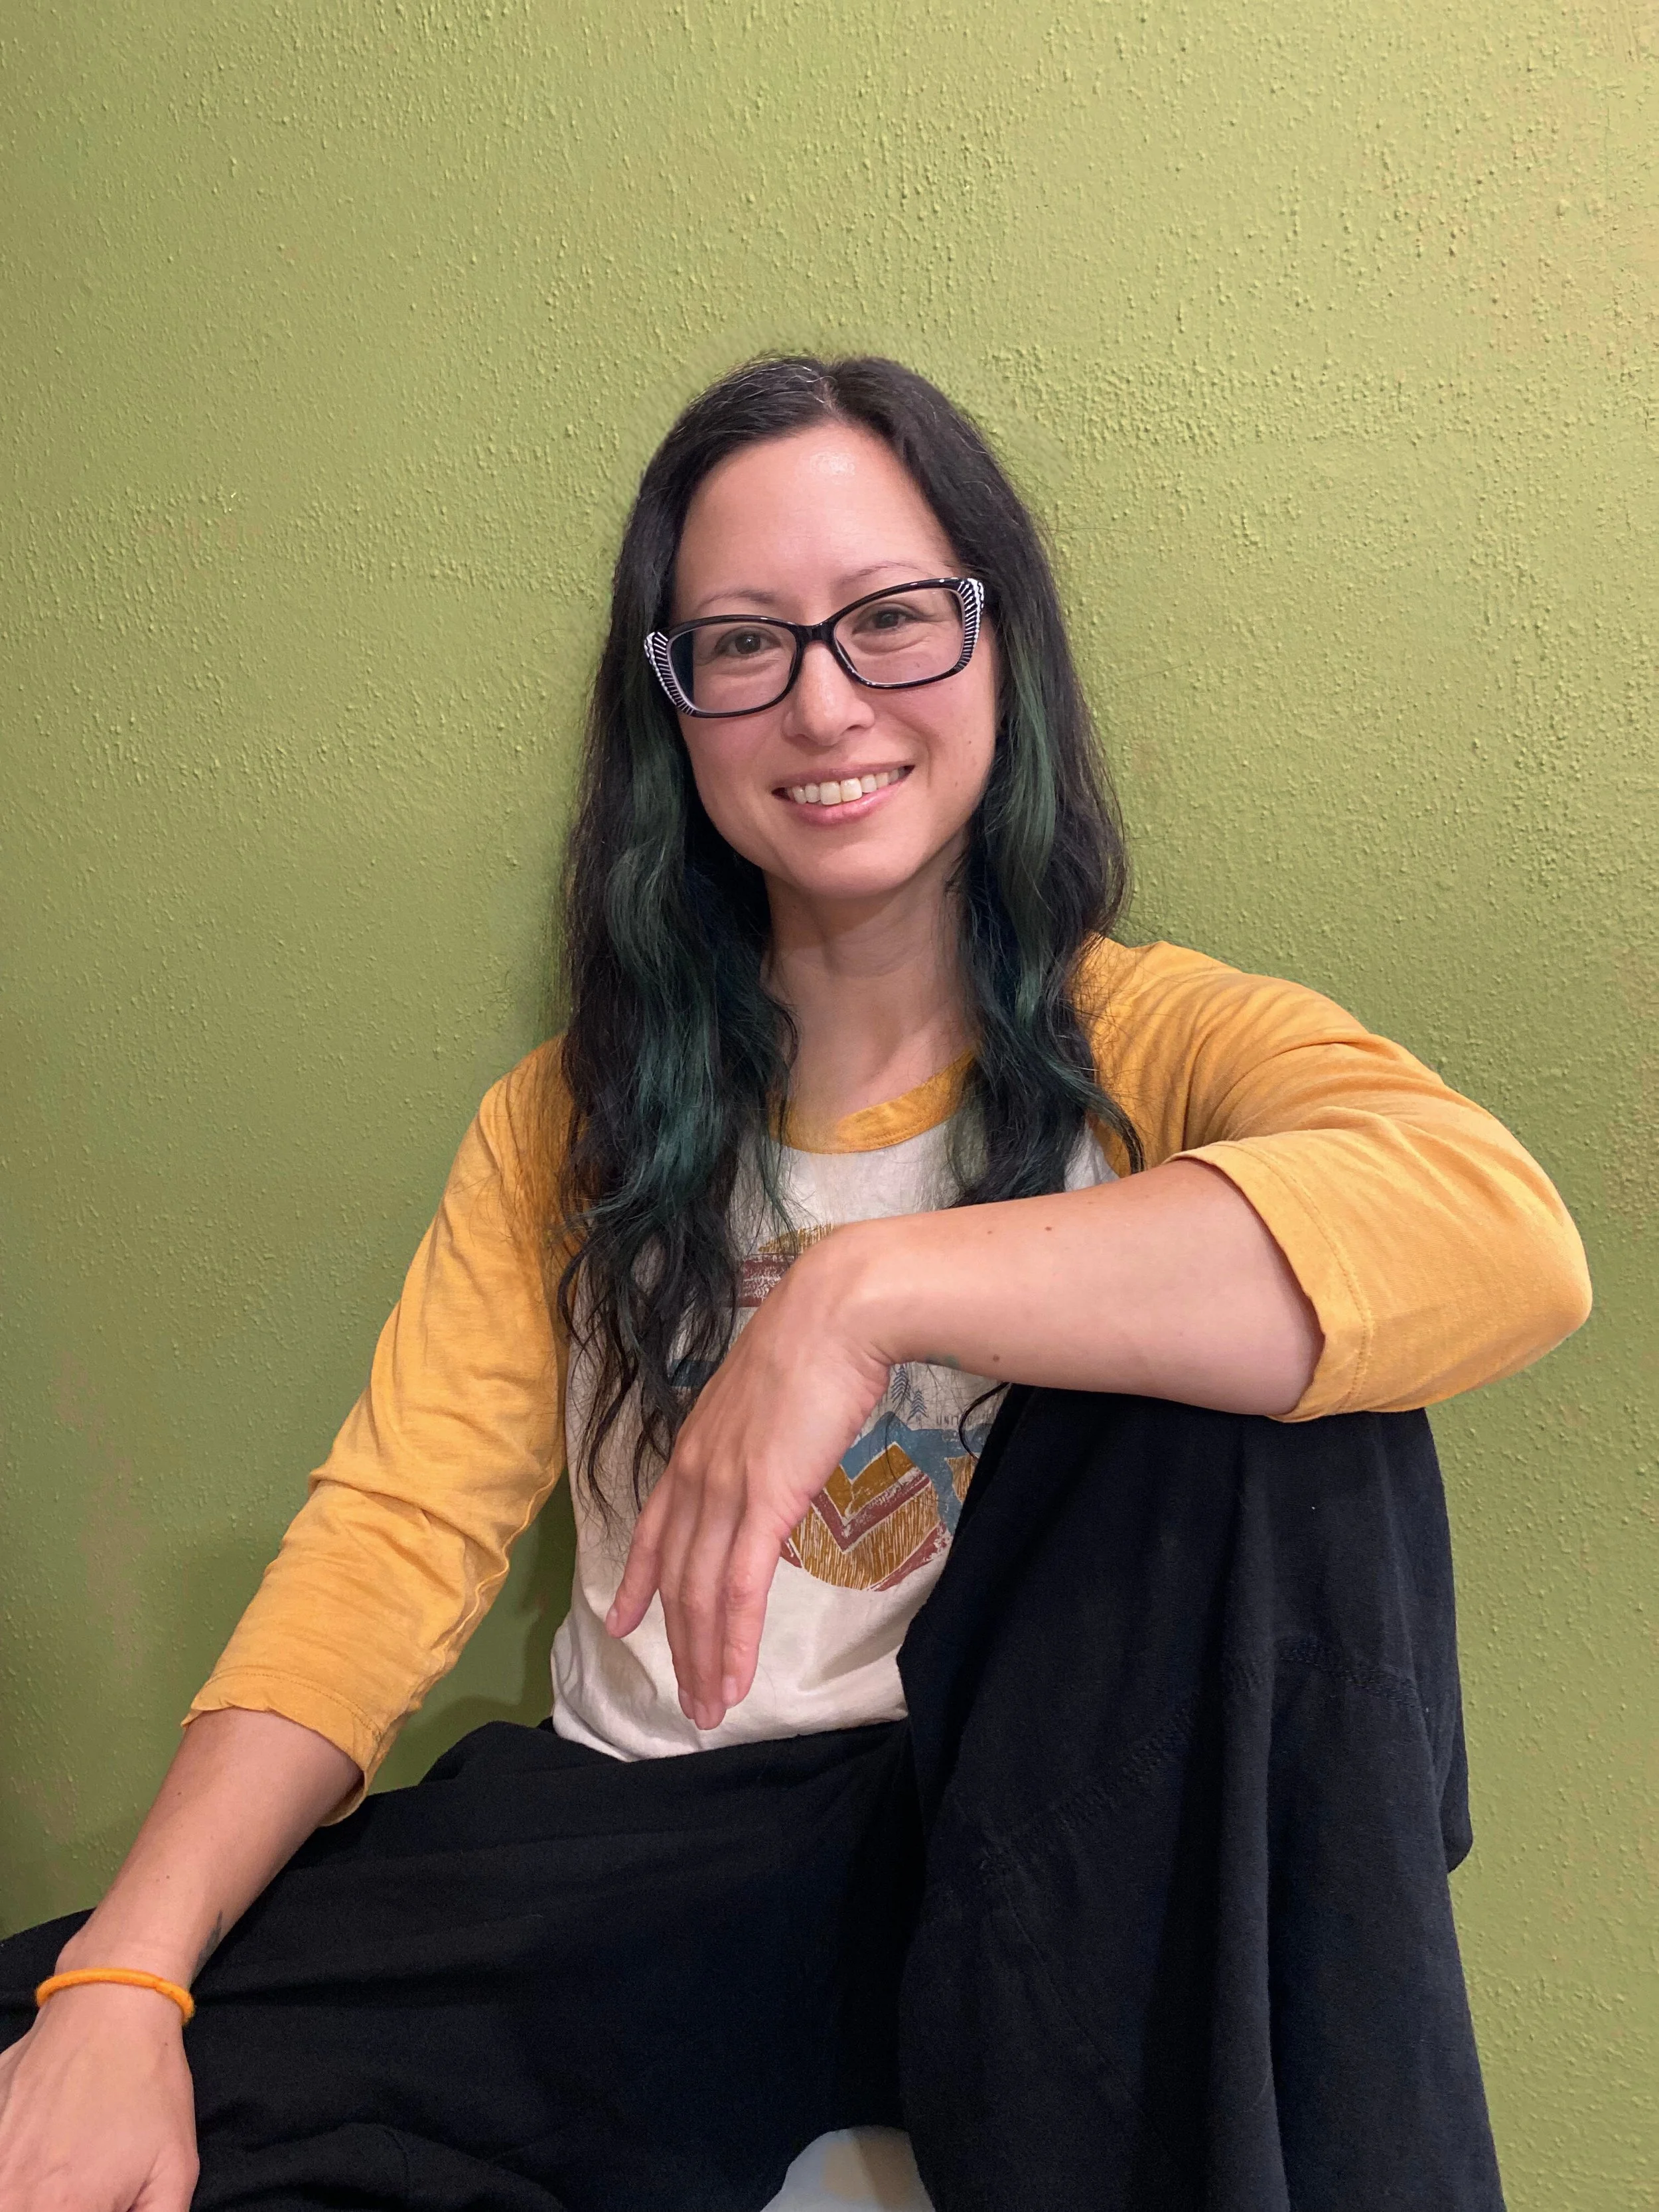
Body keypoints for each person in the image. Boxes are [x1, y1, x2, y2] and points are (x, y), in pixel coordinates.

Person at [0, 355, 1590, 2212]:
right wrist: (125, 1977)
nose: (822, 697)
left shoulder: (1150, 1038)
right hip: (629, 1853)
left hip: (1002, 1850)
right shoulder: (565, 1122)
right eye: (740, 644)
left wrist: (864, 1294)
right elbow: (384, 1550)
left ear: (1000, 644)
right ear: (671, 708)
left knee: (1291, 1397)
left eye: (891, 620)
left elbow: (1499, 1239)